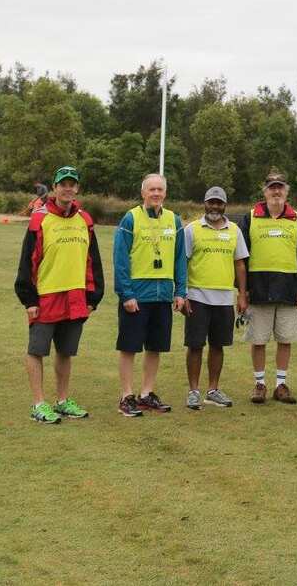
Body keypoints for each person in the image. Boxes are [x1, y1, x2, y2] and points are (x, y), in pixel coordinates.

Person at [14, 165, 103, 423]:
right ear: (54, 188)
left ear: (77, 188)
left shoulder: (84, 220)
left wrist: (92, 298)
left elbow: (92, 261)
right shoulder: (39, 219)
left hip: (75, 298)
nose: (67, 188)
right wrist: (29, 299)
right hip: (45, 298)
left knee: (66, 351)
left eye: (72, 184)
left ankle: (62, 401)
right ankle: (38, 403)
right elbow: (27, 262)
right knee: (37, 350)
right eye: (62, 184)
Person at [237, 170, 297, 405]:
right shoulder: (250, 218)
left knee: (285, 339)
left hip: (289, 291)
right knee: (258, 340)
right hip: (258, 290)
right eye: (272, 187)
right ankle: (259, 384)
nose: (276, 191)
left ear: (286, 191)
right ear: (265, 191)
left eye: (280, 187)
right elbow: (240, 257)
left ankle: (281, 385)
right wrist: (243, 290)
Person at [113, 173, 187, 417]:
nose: (156, 193)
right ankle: (126, 395)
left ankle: (146, 393)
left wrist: (180, 291)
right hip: (137, 294)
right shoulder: (131, 218)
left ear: (165, 193)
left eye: (160, 189)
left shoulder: (174, 220)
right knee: (129, 346)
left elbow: (179, 259)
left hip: (163, 295)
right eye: (151, 189)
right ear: (143, 193)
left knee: (155, 347)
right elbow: (121, 259)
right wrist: (126, 294)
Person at [181, 186, 248, 410]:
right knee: (195, 345)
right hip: (197, 295)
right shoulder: (191, 229)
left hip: (223, 298)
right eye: (211, 202)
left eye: (219, 203)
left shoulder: (234, 230)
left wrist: (242, 294)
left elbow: (240, 263)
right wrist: (182, 293)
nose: (215, 207)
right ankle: (193, 391)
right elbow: (183, 262)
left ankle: (213, 390)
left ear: (225, 205)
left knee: (218, 345)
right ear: (205, 203)